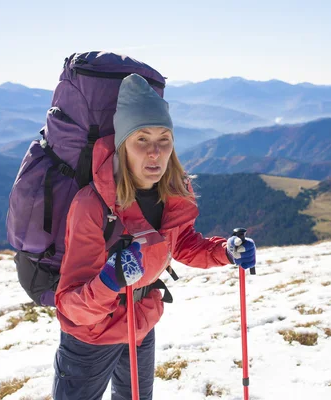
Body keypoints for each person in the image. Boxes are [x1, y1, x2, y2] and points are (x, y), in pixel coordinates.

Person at [52, 74, 257, 400]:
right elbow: (70, 304)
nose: (154, 152)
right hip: (92, 335)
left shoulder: (174, 190)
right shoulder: (93, 206)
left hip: (141, 319)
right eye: (141, 139)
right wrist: (110, 279)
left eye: (164, 139)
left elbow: (183, 245)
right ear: (122, 143)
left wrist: (226, 252)